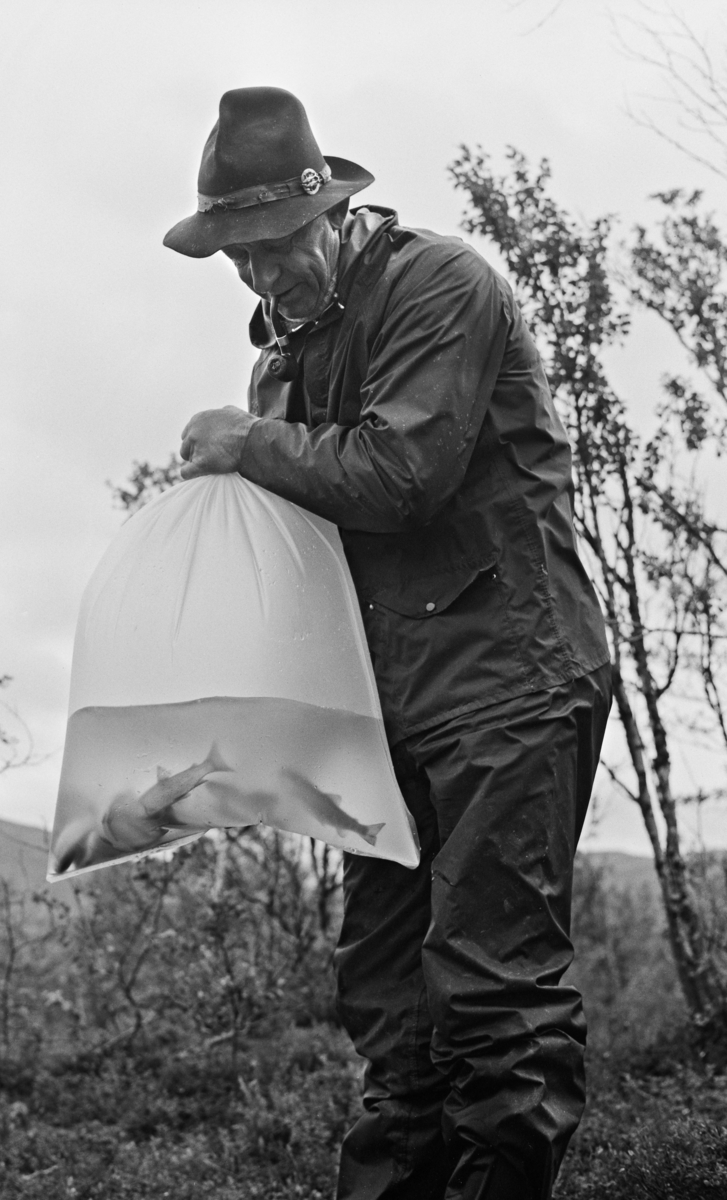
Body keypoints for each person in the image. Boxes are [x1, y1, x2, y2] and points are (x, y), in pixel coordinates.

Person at [164, 87, 612, 1200]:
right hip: (381, 710)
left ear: (329, 211)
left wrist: (248, 443)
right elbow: (299, 546)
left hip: (507, 674)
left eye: (274, 248)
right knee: (383, 998)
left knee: (488, 995)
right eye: (239, 262)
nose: (262, 279)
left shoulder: (438, 286)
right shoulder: (278, 356)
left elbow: (399, 477)